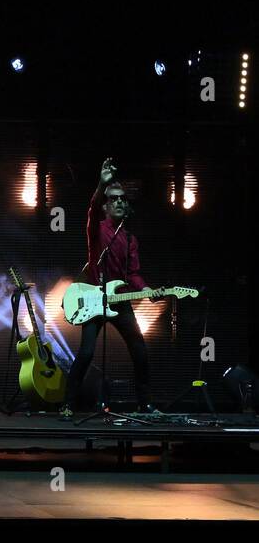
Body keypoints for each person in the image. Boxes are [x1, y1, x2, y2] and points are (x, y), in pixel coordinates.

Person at [60, 157, 163, 419]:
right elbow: (92, 209)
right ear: (106, 205)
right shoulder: (98, 230)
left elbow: (133, 274)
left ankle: (145, 404)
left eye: (122, 199)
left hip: (119, 300)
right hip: (94, 299)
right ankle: (68, 403)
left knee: (139, 350)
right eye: (113, 198)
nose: (118, 201)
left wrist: (148, 290)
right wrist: (101, 183)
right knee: (86, 353)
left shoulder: (129, 239)